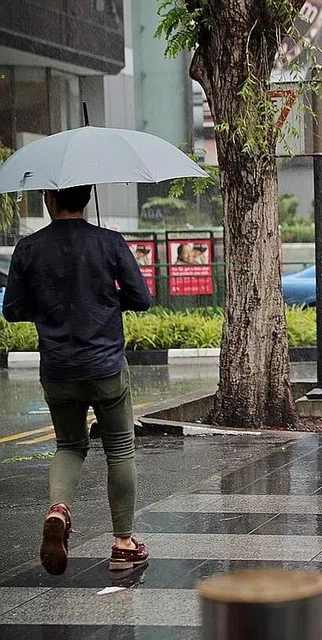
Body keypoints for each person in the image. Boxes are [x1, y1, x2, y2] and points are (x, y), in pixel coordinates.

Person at [2, 185, 153, 576]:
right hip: (105, 366)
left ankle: (58, 509)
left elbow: (12, 310)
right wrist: (104, 298)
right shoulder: (109, 242)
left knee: (70, 445)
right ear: (86, 199)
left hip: (58, 369)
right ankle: (123, 544)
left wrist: (51, 305)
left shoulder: (28, 248)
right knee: (119, 449)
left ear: (51, 200)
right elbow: (141, 298)